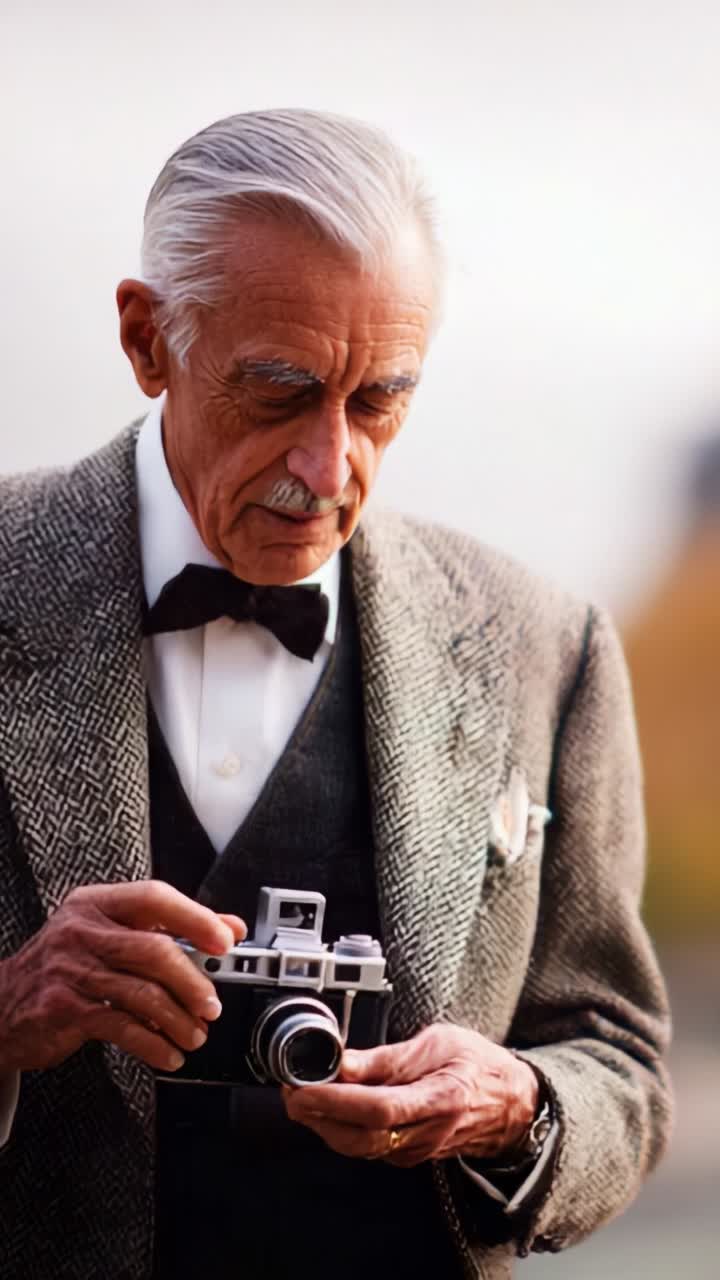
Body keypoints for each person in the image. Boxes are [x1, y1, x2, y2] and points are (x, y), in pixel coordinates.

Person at [0, 109, 672, 1280]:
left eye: (379, 402)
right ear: (148, 338)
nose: (328, 468)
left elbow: (617, 1059)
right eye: (279, 391)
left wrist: (519, 1101)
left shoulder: (544, 644)